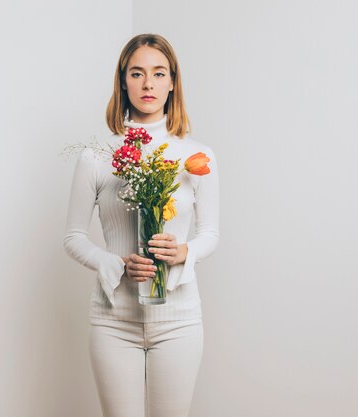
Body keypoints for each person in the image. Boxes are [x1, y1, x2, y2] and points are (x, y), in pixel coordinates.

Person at [63, 33, 219, 417]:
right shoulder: (98, 157)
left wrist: (185, 252)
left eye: (158, 73)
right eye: (137, 73)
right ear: (122, 82)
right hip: (114, 320)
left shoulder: (195, 156)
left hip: (179, 320)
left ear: (172, 82)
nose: (148, 84)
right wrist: (116, 264)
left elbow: (211, 233)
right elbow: (73, 237)